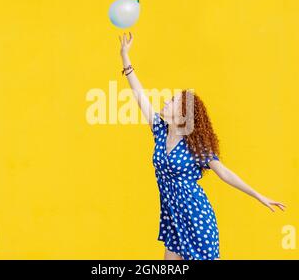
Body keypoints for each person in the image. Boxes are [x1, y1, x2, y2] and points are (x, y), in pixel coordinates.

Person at [119, 32, 286, 260]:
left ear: (183, 114)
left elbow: (224, 173)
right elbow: (139, 95)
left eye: (173, 101)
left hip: (196, 217)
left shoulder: (195, 146)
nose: (165, 102)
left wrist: (258, 196)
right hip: (172, 217)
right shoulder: (159, 130)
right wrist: (125, 58)